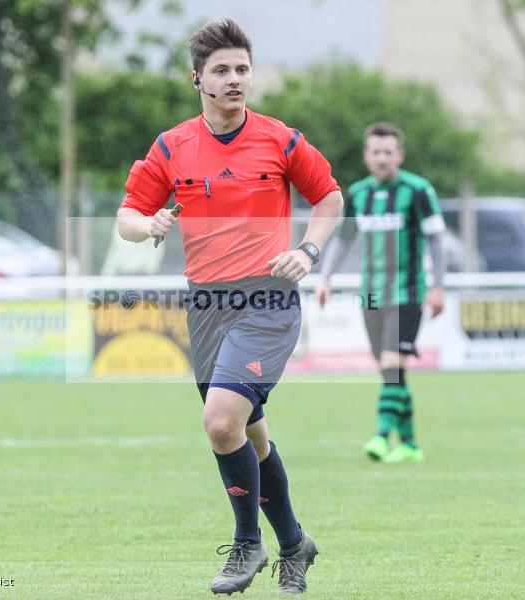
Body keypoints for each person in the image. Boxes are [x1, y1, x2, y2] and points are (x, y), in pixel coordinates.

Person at [115, 19, 343, 595]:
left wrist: (309, 250)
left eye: (242, 69)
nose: (235, 79)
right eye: (222, 70)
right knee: (250, 438)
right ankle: (295, 543)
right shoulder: (171, 146)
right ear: (198, 79)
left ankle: (248, 544)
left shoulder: (279, 138)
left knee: (220, 422)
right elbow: (126, 220)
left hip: (267, 301)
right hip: (207, 307)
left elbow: (330, 197)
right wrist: (150, 223)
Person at [317, 122, 446, 463]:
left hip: (408, 293)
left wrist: (438, 286)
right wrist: (325, 278)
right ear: (366, 155)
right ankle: (410, 444)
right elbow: (342, 239)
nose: (381, 158)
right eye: (375, 152)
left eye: (388, 152)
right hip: (370, 295)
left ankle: (379, 436)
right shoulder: (358, 194)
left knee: (392, 366)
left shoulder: (418, 191)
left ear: (399, 155)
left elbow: (436, 239)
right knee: (391, 370)